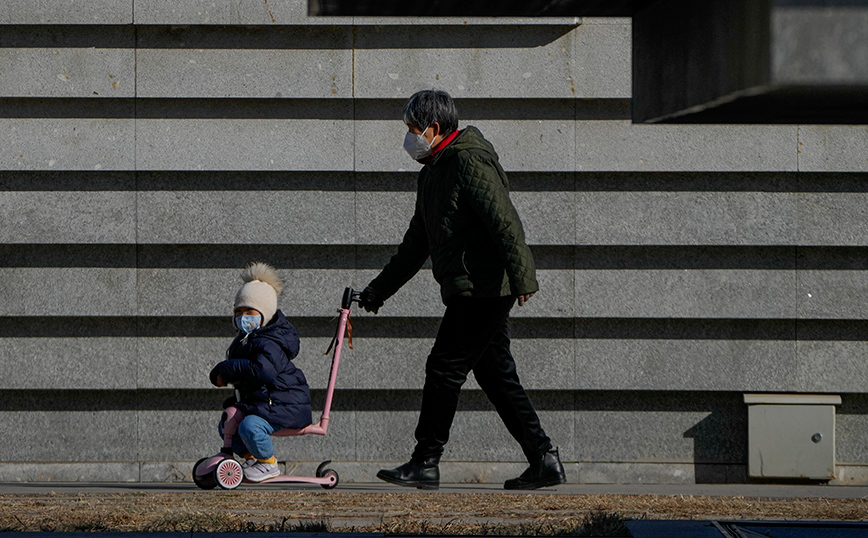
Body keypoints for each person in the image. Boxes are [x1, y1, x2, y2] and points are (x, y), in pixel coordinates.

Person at [359, 89, 566, 490]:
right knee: (497, 376)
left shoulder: (470, 160)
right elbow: (415, 245)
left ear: (434, 129)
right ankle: (544, 459)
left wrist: (524, 278)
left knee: (444, 367)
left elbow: (505, 221)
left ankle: (425, 462)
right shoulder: (433, 173)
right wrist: (376, 292)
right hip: (472, 288)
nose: (409, 137)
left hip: (484, 287)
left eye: (413, 129)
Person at [209, 262, 312, 482]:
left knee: (249, 425)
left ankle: (268, 463)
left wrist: (226, 369)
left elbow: (262, 371)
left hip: (284, 404)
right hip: (264, 402)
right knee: (228, 422)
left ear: (264, 313)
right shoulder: (246, 340)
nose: (242, 316)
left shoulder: (271, 342)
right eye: (238, 311)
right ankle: (251, 458)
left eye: (249, 311)